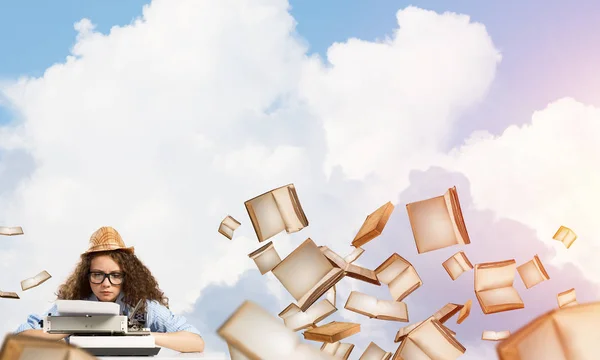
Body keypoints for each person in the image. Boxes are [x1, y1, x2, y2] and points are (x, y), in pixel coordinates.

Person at [14, 226, 205, 353]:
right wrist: (71, 326)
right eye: (97, 275)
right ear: (86, 276)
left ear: (126, 276)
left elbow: (196, 342)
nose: (106, 284)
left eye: (115, 275)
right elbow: (21, 339)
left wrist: (141, 335)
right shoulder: (72, 308)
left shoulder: (142, 308)